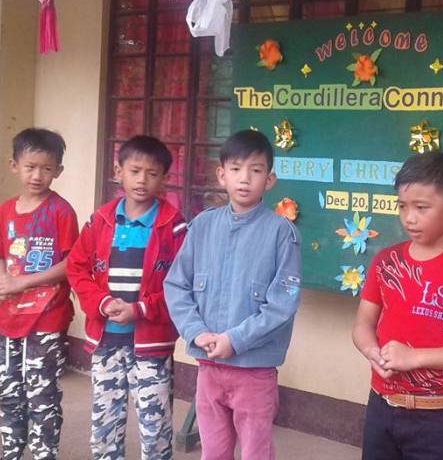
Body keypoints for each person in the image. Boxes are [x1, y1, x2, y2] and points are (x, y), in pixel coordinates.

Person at [164, 129, 302, 460]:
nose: (245, 179)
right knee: (214, 451)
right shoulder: (202, 226)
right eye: (237, 169)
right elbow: (176, 285)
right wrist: (197, 332)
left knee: (255, 451)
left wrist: (235, 340)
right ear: (221, 175)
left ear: (269, 180)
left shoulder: (282, 233)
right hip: (208, 366)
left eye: (256, 170)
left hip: (254, 370)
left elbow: (282, 305)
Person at [352, 151, 443, 460]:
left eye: (422, 207)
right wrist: (371, 352)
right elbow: (363, 325)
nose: (410, 218)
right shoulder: (385, 262)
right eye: (402, 206)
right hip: (382, 407)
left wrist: (414, 357)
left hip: (439, 418)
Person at [67, 136, 186, 460]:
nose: (142, 180)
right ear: (118, 171)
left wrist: (141, 309)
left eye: (152, 173)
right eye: (135, 171)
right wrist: (102, 303)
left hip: (151, 344)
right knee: (105, 422)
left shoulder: (173, 227)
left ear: (165, 179)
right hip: (106, 341)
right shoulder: (100, 221)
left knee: (155, 423)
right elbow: (77, 268)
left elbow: (183, 284)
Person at [0, 128, 78, 460]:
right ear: (14, 165)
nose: (37, 175)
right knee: (7, 390)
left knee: (42, 393)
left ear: (58, 171)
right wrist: (0, 281)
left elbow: (71, 264)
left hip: (47, 318)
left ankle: (43, 454)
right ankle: (11, 451)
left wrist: (22, 283)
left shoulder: (61, 212)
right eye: (30, 166)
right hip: (9, 317)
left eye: (46, 168)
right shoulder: (5, 212)